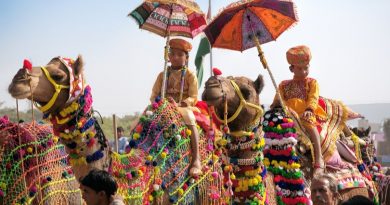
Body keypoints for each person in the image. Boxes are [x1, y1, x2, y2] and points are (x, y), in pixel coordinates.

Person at [150, 38, 202, 176]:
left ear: (187, 58)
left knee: (189, 117)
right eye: (172, 54)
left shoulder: (190, 75)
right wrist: (159, 102)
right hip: (164, 107)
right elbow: (154, 94)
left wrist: (179, 104)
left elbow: (194, 96)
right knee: (146, 116)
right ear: (168, 56)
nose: (175, 57)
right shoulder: (162, 75)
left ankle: (196, 159)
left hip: (183, 107)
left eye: (180, 55)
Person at [271, 45, 325, 174]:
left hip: (305, 113)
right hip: (287, 114)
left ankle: (319, 159)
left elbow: (313, 97)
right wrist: (278, 103)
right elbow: (278, 101)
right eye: (300, 68)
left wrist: (309, 110)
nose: (304, 71)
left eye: (306, 68)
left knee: (310, 124)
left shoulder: (312, 82)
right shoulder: (283, 84)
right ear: (292, 69)